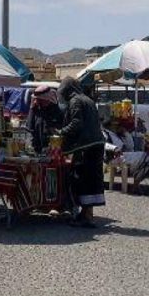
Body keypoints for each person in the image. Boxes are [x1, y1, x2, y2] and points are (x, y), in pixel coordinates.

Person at [57, 77, 106, 227]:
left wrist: (61, 132)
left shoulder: (75, 101)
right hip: (96, 144)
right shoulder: (88, 100)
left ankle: (86, 217)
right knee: (92, 179)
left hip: (86, 146)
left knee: (82, 179)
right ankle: (86, 214)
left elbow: (76, 123)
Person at [25, 85, 62, 153]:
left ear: (47, 99)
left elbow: (59, 130)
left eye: (41, 100)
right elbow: (29, 128)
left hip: (52, 149)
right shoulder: (35, 109)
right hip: (37, 148)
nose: (38, 101)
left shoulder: (56, 111)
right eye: (37, 100)